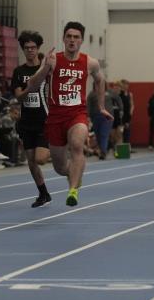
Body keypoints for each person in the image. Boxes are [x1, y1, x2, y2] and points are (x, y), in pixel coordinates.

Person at [23, 21, 109, 207]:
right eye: (69, 36)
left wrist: (101, 106)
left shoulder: (90, 62)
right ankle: (75, 174)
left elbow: (100, 80)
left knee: (77, 145)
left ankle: (73, 191)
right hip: (55, 117)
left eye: (76, 37)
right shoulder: (53, 59)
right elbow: (32, 85)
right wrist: (46, 68)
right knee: (60, 167)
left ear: (81, 40)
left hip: (77, 114)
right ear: (63, 38)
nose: (72, 40)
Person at [11, 30, 51, 207]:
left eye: (33, 47)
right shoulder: (19, 72)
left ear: (38, 48)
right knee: (31, 161)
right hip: (27, 122)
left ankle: (57, 150)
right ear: (23, 49)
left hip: (44, 120)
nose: (30, 50)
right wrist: (30, 88)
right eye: (27, 48)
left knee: (40, 159)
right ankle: (43, 193)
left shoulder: (45, 69)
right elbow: (19, 97)